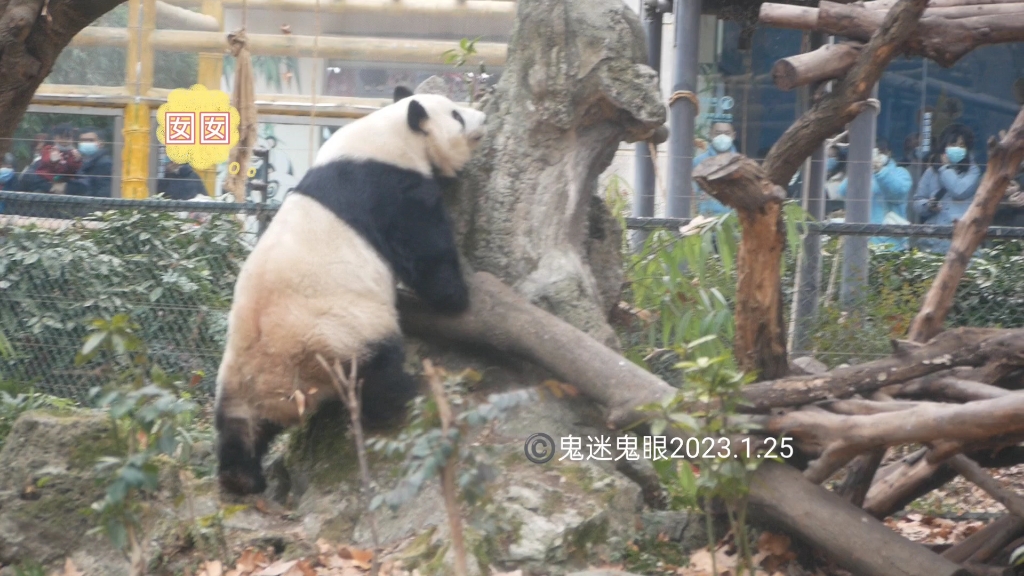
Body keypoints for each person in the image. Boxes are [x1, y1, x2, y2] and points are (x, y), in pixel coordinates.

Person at [913, 124, 981, 254]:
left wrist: (945, 168)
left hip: (962, 242)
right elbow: (917, 201)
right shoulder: (931, 171)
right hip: (933, 242)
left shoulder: (973, 171)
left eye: (961, 146)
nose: (956, 149)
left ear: (968, 149)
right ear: (944, 146)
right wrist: (928, 205)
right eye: (952, 145)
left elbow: (959, 191)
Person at [836, 139, 913, 250]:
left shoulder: (900, 172)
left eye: (881, 152)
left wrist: (880, 171)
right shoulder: (863, 174)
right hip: (863, 241)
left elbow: (897, 194)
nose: (877, 156)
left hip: (892, 244)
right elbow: (843, 192)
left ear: (889, 153)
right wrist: (859, 168)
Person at [693, 121, 738, 216]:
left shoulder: (740, 162)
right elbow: (693, 194)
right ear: (710, 135)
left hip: (732, 220)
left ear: (733, 136)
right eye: (718, 133)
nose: (722, 137)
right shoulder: (698, 162)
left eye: (727, 133)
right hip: (705, 220)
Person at [21, 124, 82, 193]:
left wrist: (77, 160)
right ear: (55, 138)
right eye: (61, 137)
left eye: (67, 138)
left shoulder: (73, 152)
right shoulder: (49, 149)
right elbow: (45, 160)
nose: (64, 140)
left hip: (64, 179)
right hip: (46, 178)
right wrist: (52, 160)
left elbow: (74, 168)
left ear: (72, 139)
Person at [66, 127, 113, 197]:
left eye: (91, 140)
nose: (86, 143)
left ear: (101, 143)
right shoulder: (82, 161)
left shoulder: (104, 163)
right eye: (83, 140)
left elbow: (103, 192)